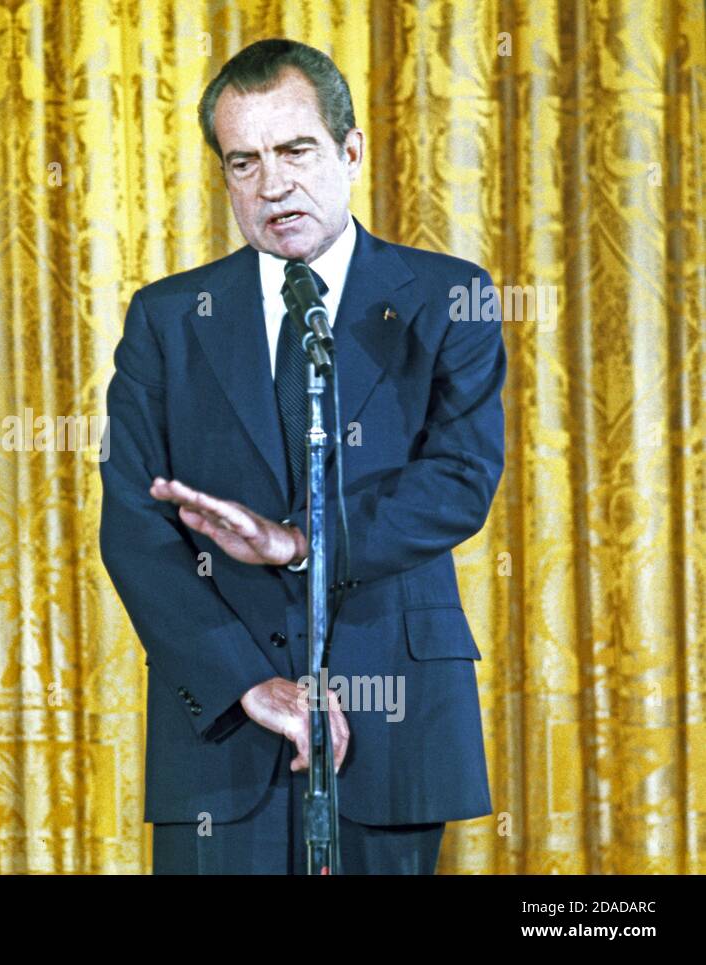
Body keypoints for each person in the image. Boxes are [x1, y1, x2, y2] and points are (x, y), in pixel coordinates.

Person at [99, 39, 506, 874]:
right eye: (242, 162)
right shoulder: (169, 317)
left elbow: (459, 480)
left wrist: (303, 539)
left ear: (350, 151)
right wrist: (245, 681)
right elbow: (134, 526)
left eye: (294, 151)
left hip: (392, 721)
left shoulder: (445, 295)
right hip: (223, 731)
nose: (272, 185)